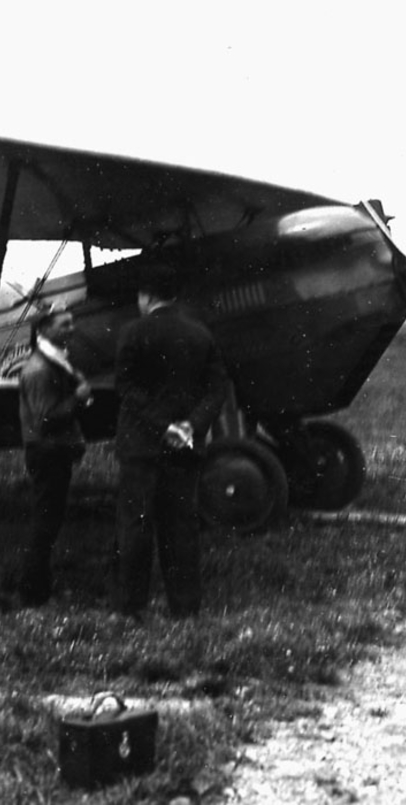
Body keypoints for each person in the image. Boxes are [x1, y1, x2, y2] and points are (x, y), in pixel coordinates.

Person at [113, 264, 228, 618]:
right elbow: (216, 389)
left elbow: (127, 389)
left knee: (135, 526)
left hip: (141, 447)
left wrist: (163, 427)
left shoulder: (133, 332)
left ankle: (131, 608)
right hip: (185, 448)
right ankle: (185, 608)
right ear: (174, 296)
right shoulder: (200, 334)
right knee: (181, 527)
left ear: (146, 296)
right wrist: (190, 427)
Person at [17, 307, 92, 606]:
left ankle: (38, 589)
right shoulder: (38, 369)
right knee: (45, 523)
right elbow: (45, 418)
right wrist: (78, 397)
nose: (71, 328)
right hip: (48, 453)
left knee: (49, 522)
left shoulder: (54, 361)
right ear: (44, 330)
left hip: (53, 451)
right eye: (64, 324)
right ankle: (33, 594)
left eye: (72, 322)